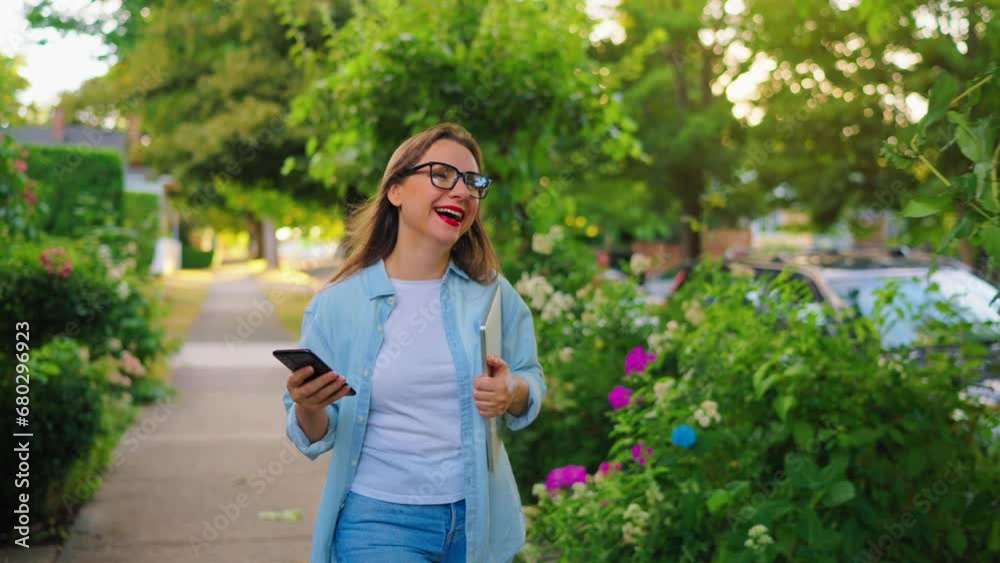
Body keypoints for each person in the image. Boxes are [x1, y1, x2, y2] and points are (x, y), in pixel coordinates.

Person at [282, 123, 547, 563]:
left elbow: (530, 380)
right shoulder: (337, 306)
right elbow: (314, 433)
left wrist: (512, 392)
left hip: (476, 521)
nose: (461, 192)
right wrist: (309, 405)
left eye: (472, 182)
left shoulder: (493, 295)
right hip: (378, 523)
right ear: (396, 191)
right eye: (442, 175)